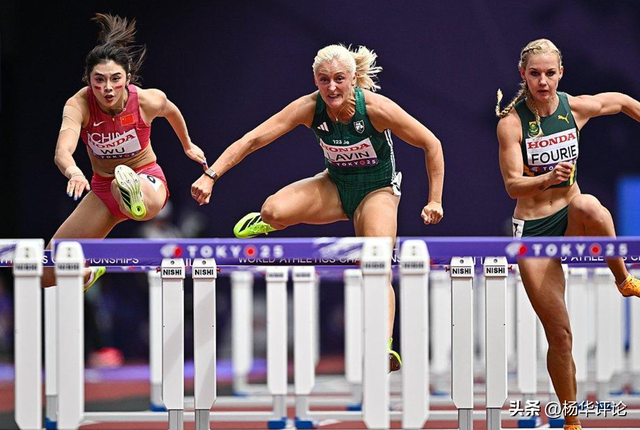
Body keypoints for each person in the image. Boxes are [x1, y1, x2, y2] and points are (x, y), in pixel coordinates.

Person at [191, 44, 445, 371]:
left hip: (377, 190)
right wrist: (211, 175)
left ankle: (383, 348)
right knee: (273, 210)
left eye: (339, 79)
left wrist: (434, 199)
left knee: (376, 263)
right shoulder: (309, 107)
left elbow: (431, 144)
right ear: (315, 80)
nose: (332, 87)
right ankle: (269, 222)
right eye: (324, 80)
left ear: (353, 79)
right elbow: (253, 139)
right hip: (335, 185)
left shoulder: (377, 109)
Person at [496, 38, 640, 430]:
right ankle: (572, 421)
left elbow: (621, 102)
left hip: (571, 214)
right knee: (560, 336)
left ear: (561, 73)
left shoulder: (574, 108)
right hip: (533, 228)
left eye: (550, 73)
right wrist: (545, 178)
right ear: (523, 75)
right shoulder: (511, 123)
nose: (543, 82)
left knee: (590, 204)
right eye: (535, 74)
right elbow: (512, 185)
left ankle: (623, 278)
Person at [42, 13, 206, 288]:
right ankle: (88, 273)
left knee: (130, 193)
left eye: (115, 79)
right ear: (88, 80)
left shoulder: (147, 100)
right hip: (102, 191)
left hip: (146, 179)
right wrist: (74, 172)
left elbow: (171, 110)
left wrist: (188, 144)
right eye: (99, 80)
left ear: (128, 77)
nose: (107, 88)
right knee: (48, 272)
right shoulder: (78, 105)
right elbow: (62, 151)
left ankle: (130, 192)